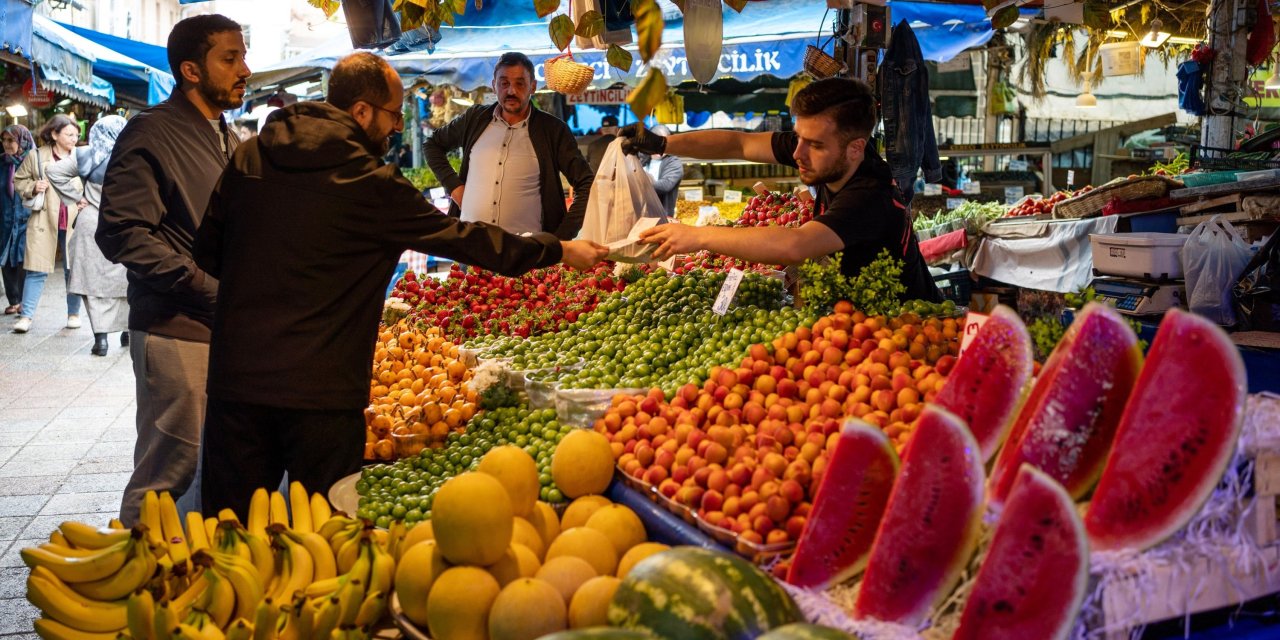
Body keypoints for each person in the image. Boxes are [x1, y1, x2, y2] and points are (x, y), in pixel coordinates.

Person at [193, 52, 609, 517]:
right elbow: (465, 239)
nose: (396, 128)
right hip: (322, 391)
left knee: (225, 533)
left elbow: (207, 251)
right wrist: (557, 248)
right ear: (362, 111)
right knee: (326, 535)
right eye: (393, 114)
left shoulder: (251, 154)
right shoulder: (370, 183)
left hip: (237, 380)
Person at [96, 14, 250, 525]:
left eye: (242, 56)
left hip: (220, 330)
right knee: (168, 471)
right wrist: (206, 288)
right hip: (175, 329)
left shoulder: (224, 135)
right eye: (229, 59)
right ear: (190, 69)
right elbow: (121, 231)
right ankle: (131, 584)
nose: (244, 69)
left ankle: (183, 583)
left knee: (205, 471)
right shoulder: (152, 130)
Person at [623, 78, 940, 302]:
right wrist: (662, 144)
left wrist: (698, 236)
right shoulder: (826, 150)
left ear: (856, 147)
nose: (798, 152)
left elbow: (796, 244)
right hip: (855, 314)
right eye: (799, 136)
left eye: (813, 144)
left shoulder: (871, 197)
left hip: (906, 324)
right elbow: (739, 142)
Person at [424, 52, 593, 239]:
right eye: (504, 83)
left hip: (528, 257)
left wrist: (561, 238)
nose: (511, 91)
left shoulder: (553, 130)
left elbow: (586, 182)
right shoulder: (475, 119)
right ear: (494, 86)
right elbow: (432, 145)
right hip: (471, 248)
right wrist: (454, 187)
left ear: (533, 87)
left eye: (520, 83)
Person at [13, 115, 84, 333]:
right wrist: (34, 186)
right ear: (54, 134)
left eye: (76, 135)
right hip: (44, 217)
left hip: (74, 218)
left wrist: (87, 199)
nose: (74, 138)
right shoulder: (36, 156)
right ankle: (26, 316)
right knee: (36, 268)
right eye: (69, 134)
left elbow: (95, 182)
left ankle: (73, 314)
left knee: (72, 268)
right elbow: (19, 180)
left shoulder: (82, 157)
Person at [68, 116, 130, 356]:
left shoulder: (84, 155)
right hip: (123, 225)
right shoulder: (130, 156)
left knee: (93, 282)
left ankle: (101, 340)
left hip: (91, 223)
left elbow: (54, 171)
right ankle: (128, 331)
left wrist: (76, 197)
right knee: (126, 280)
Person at [0, 125, 34, 315]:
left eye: (11, 140)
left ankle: (24, 300)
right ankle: (14, 300)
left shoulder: (32, 161)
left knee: (23, 260)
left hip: (26, 218)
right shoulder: (2, 164)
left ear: (21, 141)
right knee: (5, 259)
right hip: (5, 218)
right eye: (4, 140)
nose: (6, 144)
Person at [639, 124, 684, 216]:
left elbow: (665, 185)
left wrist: (639, 181)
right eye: (655, 143)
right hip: (641, 214)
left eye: (664, 144)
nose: (660, 148)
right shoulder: (642, 158)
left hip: (662, 216)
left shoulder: (674, 162)